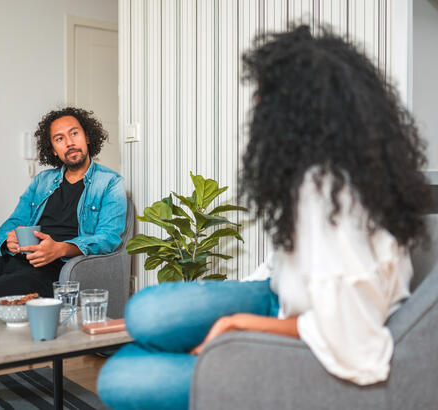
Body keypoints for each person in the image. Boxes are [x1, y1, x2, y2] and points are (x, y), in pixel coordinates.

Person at [97, 25, 432, 410]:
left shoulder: (334, 197)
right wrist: (232, 300)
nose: (256, 104)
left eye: (264, 96)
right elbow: (287, 261)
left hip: (321, 339)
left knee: (122, 376)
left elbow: (353, 344)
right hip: (281, 298)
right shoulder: (318, 174)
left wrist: (238, 326)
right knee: (145, 312)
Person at [0, 107, 127, 310]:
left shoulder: (109, 182)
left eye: (74, 133)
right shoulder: (42, 181)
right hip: (14, 258)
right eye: (59, 139)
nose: (70, 143)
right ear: (54, 149)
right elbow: (12, 223)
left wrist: (60, 248)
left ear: (87, 137)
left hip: (47, 269)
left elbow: (107, 238)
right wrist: (9, 239)